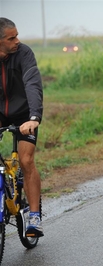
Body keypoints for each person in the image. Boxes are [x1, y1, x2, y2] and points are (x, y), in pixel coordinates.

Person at [0, 18, 44, 237]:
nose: (17, 41)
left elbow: (32, 83)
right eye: (11, 37)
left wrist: (34, 117)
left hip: (24, 114)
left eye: (16, 35)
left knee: (26, 160)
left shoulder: (23, 53)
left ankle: (34, 216)